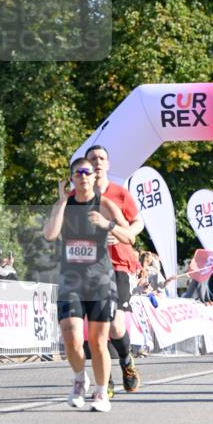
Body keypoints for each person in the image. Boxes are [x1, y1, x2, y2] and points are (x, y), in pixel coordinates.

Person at [43, 157, 131, 412]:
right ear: (72, 177)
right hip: (71, 279)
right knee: (71, 336)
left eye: (87, 172)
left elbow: (129, 236)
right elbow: (50, 234)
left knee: (98, 341)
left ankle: (101, 393)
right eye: (77, 172)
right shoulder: (65, 204)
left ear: (94, 177)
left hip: (100, 281)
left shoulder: (104, 204)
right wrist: (61, 201)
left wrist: (108, 225)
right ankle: (80, 379)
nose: (82, 176)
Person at [85, 145, 144, 395]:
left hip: (119, 264)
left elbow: (137, 222)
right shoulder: (79, 197)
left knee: (117, 326)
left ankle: (127, 361)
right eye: (93, 159)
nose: (98, 162)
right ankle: (105, 379)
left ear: (108, 164)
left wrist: (123, 235)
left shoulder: (120, 194)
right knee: (98, 325)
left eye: (102, 158)